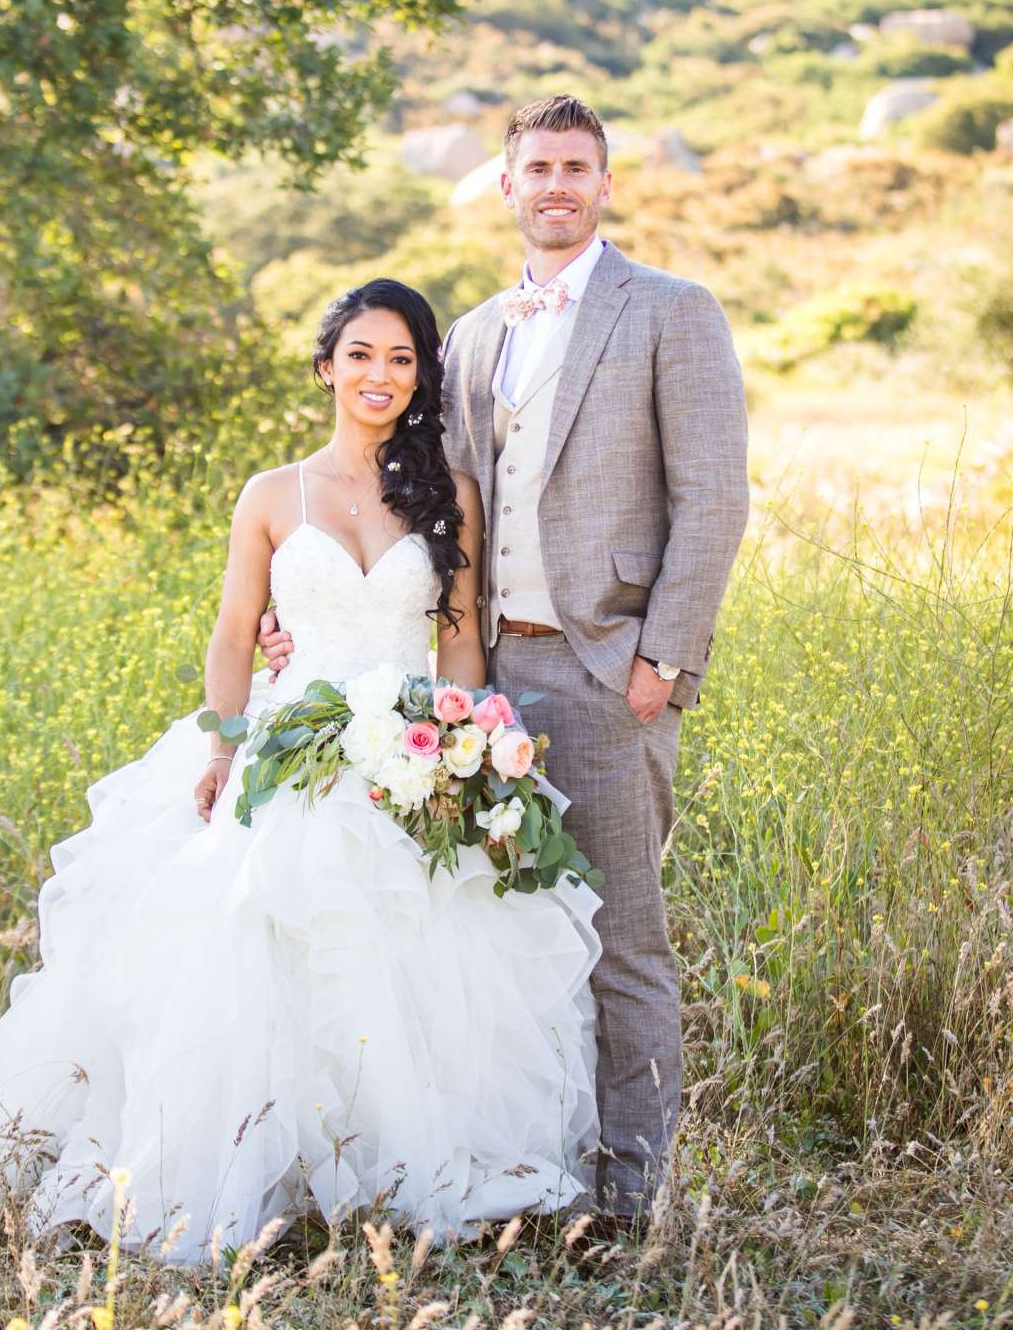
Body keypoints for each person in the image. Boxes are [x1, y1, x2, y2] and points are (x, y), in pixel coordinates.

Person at [0, 281, 604, 1266]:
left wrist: (468, 751)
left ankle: (405, 1168)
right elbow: (235, 633)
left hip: (412, 750)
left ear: (422, 376)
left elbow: (456, 646)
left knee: (427, 954)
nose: (380, 377)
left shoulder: (451, 494)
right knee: (252, 941)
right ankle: (246, 1165)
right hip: (293, 750)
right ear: (327, 367)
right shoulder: (275, 494)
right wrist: (225, 744)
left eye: (402, 359)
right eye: (361, 355)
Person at [260, 94, 750, 1222]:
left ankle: (631, 1195)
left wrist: (662, 666)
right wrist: (304, 608)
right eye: (538, 167)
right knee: (506, 932)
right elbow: (436, 513)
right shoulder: (476, 335)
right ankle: (534, 1165)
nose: (558, 185)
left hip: (604, 672)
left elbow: (714, 500)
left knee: (621, 937)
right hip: (473, 687)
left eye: (578, 166)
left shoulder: (672, 311)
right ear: (508, 186)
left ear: (606, 184)